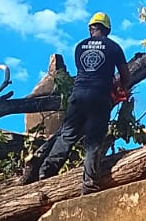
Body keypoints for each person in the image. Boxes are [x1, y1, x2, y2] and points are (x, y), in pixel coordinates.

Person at [28, 12, 131, 195]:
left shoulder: (79, 47)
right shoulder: (114, 47)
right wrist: (121, 87)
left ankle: (45, 173)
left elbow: (88, 72)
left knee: (66, 136)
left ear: (91, 28)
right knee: (93, 140)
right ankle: (89, 184)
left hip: (77, 96)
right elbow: (125, 75)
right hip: (99, 98)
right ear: (107, 29)